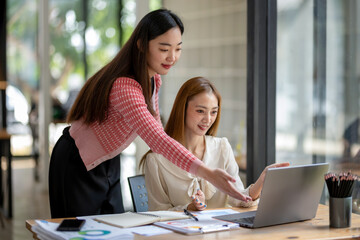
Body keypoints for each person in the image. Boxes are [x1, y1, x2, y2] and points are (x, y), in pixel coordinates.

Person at [48, 9, 251, 218]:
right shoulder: (125, 87)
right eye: (164, 48)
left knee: (113, 230)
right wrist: (208, 173)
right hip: (78, 160)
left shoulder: (153, 81)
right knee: (78, 232)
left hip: (108, 160)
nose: (172, 57)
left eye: (178, 49)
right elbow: (157, 140)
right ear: (141, 45)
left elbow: (157, 131)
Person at [140, 77, 289, 211]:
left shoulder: (222, 147)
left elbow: (238, 199)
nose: (208, 119)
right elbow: (157, 212)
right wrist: (189, 208)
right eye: (200, 111)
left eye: (213, 112)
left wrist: (261, 181)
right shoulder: (156, 159)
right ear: (182, 109)